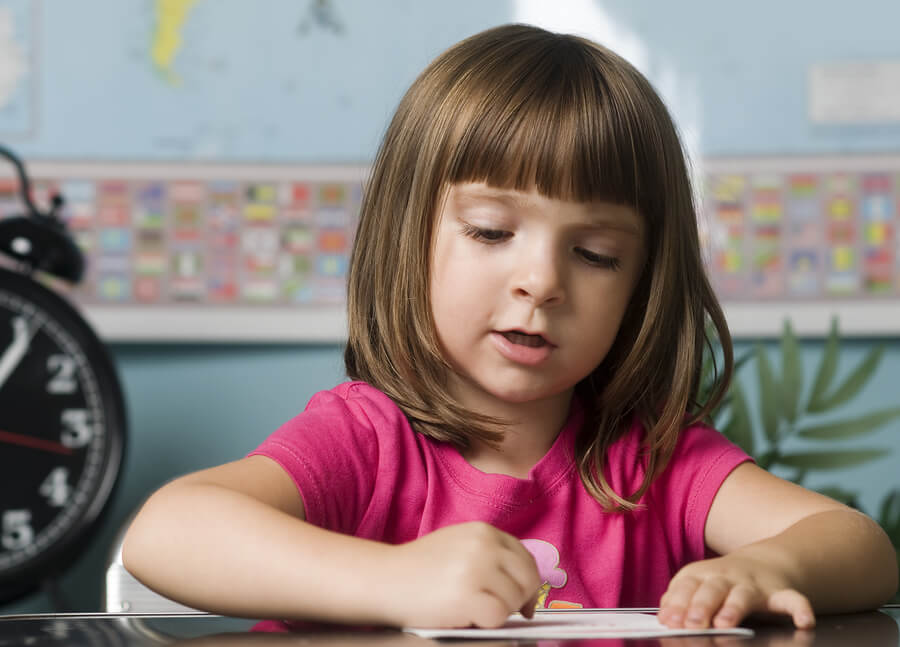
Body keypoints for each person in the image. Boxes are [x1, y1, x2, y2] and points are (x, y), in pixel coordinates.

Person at [122, 23, 898, 631]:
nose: (542, 282)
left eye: (595, 253)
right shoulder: (366, 440)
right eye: (492, 232)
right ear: (409, 237)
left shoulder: (651, 461)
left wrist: (764, 570)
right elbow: (169, 532)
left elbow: (861, 545)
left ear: (642, 282)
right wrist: (393, 581)